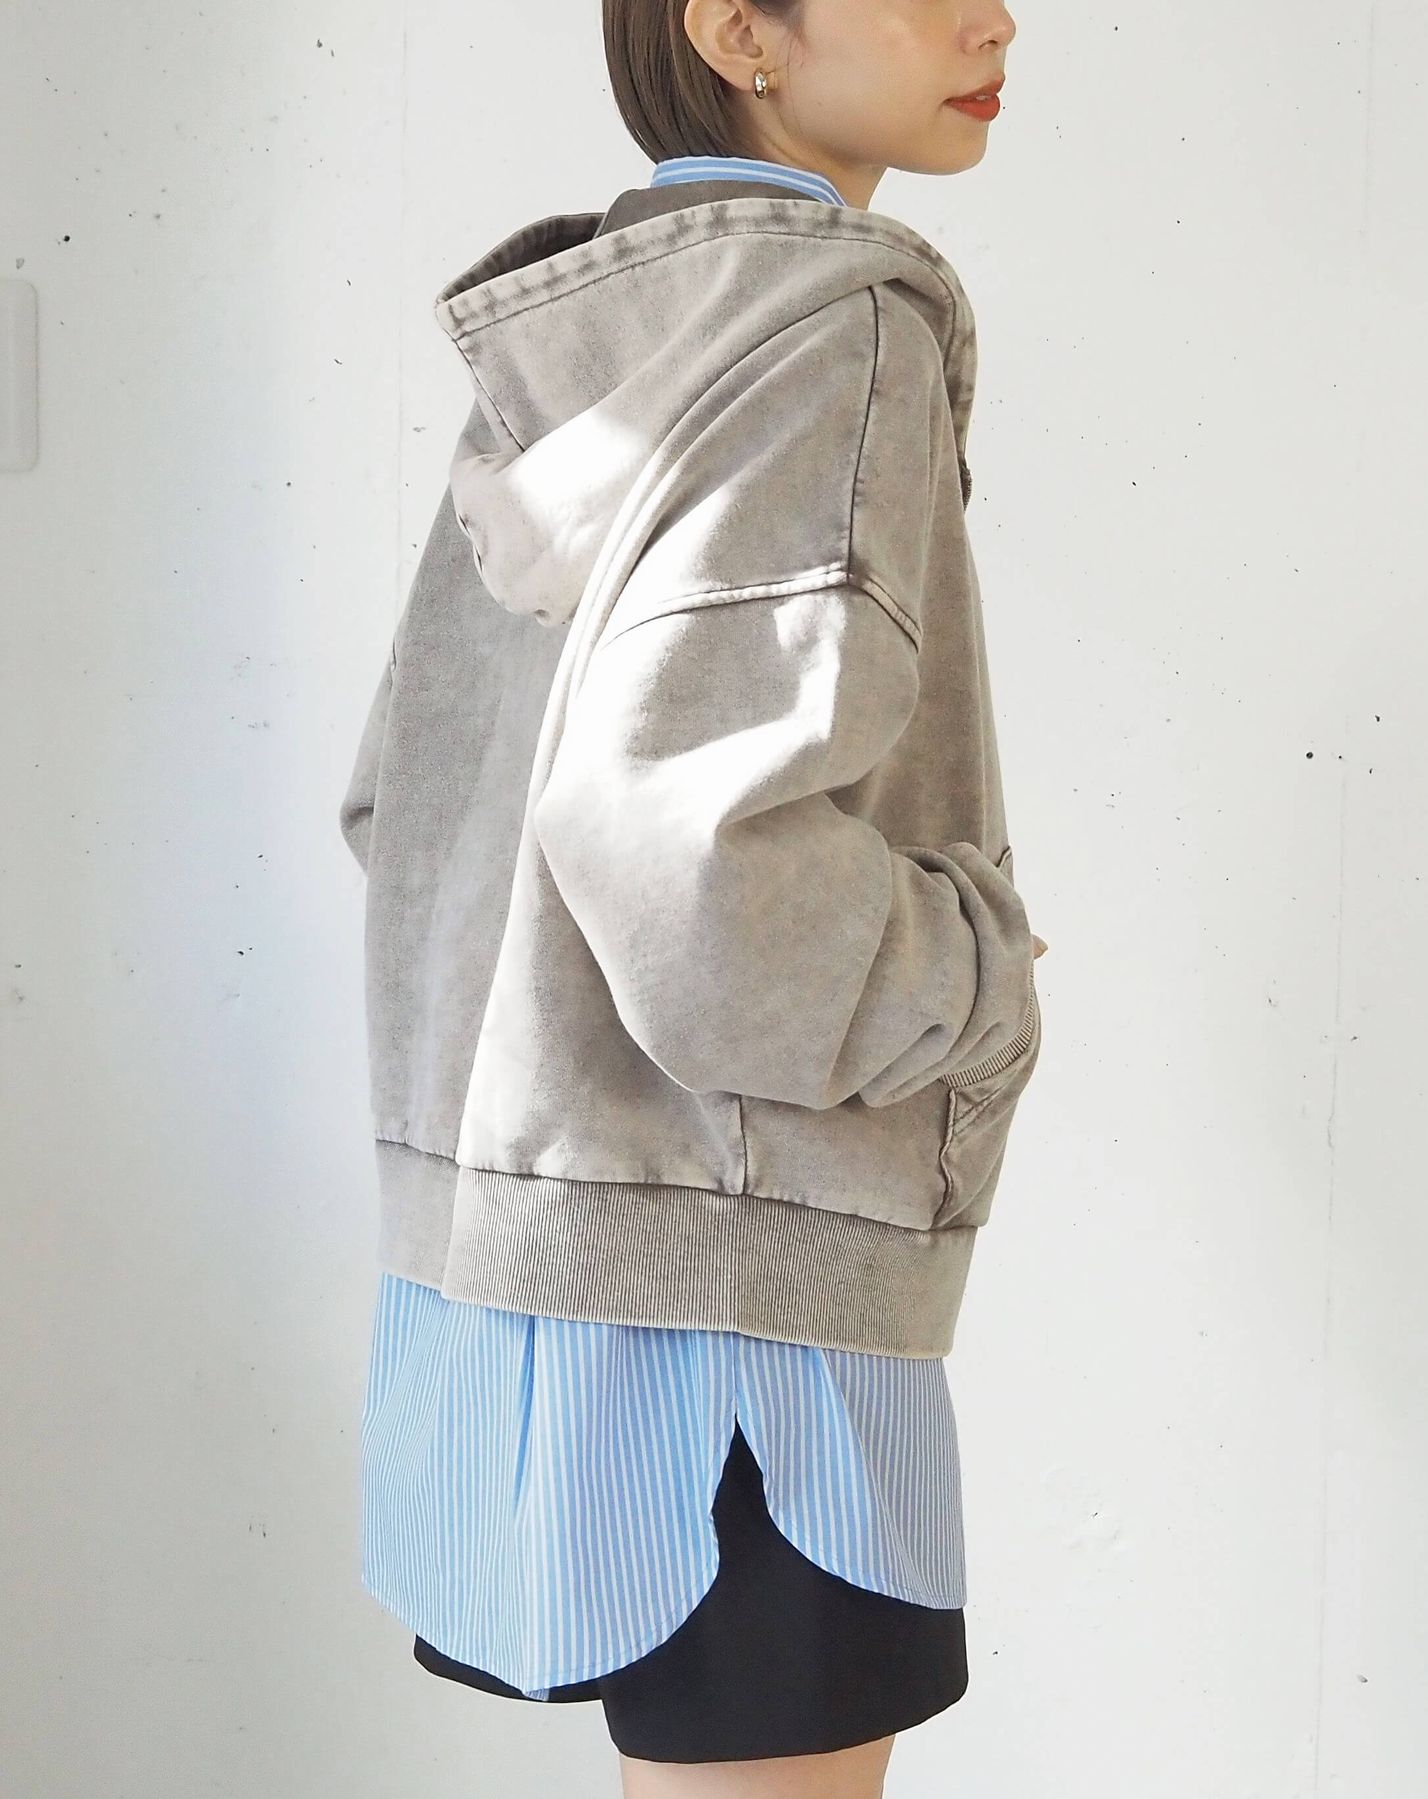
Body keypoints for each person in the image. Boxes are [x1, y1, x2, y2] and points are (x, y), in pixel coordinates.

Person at [338, 1, 1042, 1794]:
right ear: (741, 30)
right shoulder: (831, 328)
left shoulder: (599, 341)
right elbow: (692, 856)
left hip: (534, 1255)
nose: (997, 16)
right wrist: (975, 984)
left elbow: (400, 803)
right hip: (749, 1298)